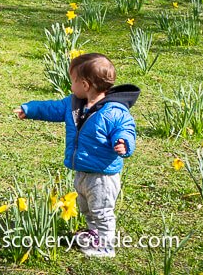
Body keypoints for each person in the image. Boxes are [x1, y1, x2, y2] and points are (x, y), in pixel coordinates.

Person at [14, 53, 139, 258]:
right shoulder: (74, 104)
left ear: (85, 85)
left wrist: (123, 142)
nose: (71, 85)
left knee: (101, 210)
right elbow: (51, 108)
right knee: (87, 208)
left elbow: (125, 129)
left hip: (102, 176)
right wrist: (30, 109)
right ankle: (94, 235)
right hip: (82, 169)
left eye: (73, 81)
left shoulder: (114, 111)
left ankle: (106, 246)